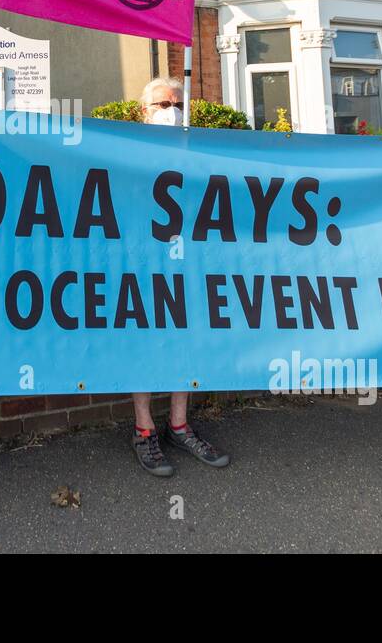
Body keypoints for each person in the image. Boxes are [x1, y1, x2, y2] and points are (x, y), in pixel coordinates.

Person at [128, 77, 230, 476]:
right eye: (159, 104)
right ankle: (143, 427)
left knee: (185, 337)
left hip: (188, 259)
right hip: (142, 260)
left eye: (175, 102)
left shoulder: (198, 152)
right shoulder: (125, 149)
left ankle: (179, 423)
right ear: (143, 111)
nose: (169, 110)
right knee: (143, 337)